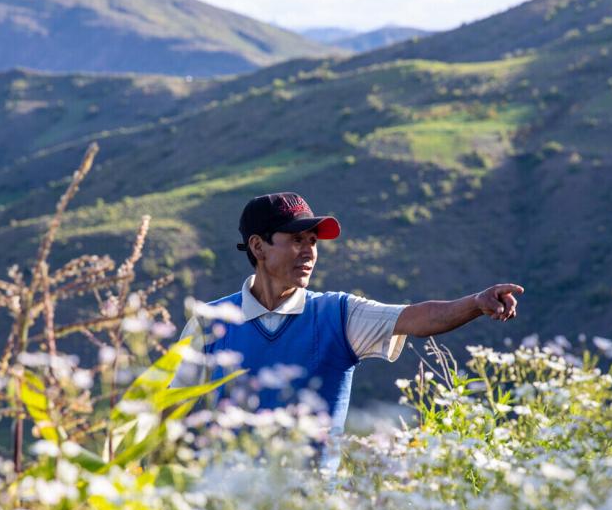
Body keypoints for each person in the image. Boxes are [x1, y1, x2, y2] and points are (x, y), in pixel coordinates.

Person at [175, 191, 523, 454]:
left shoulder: (339, 315)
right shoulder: (210, 323)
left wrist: (477, 303)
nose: (310, 251)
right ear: (258, 246)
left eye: (313, 242)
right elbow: (168, 413)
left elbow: (419, 317)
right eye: (297, 240)